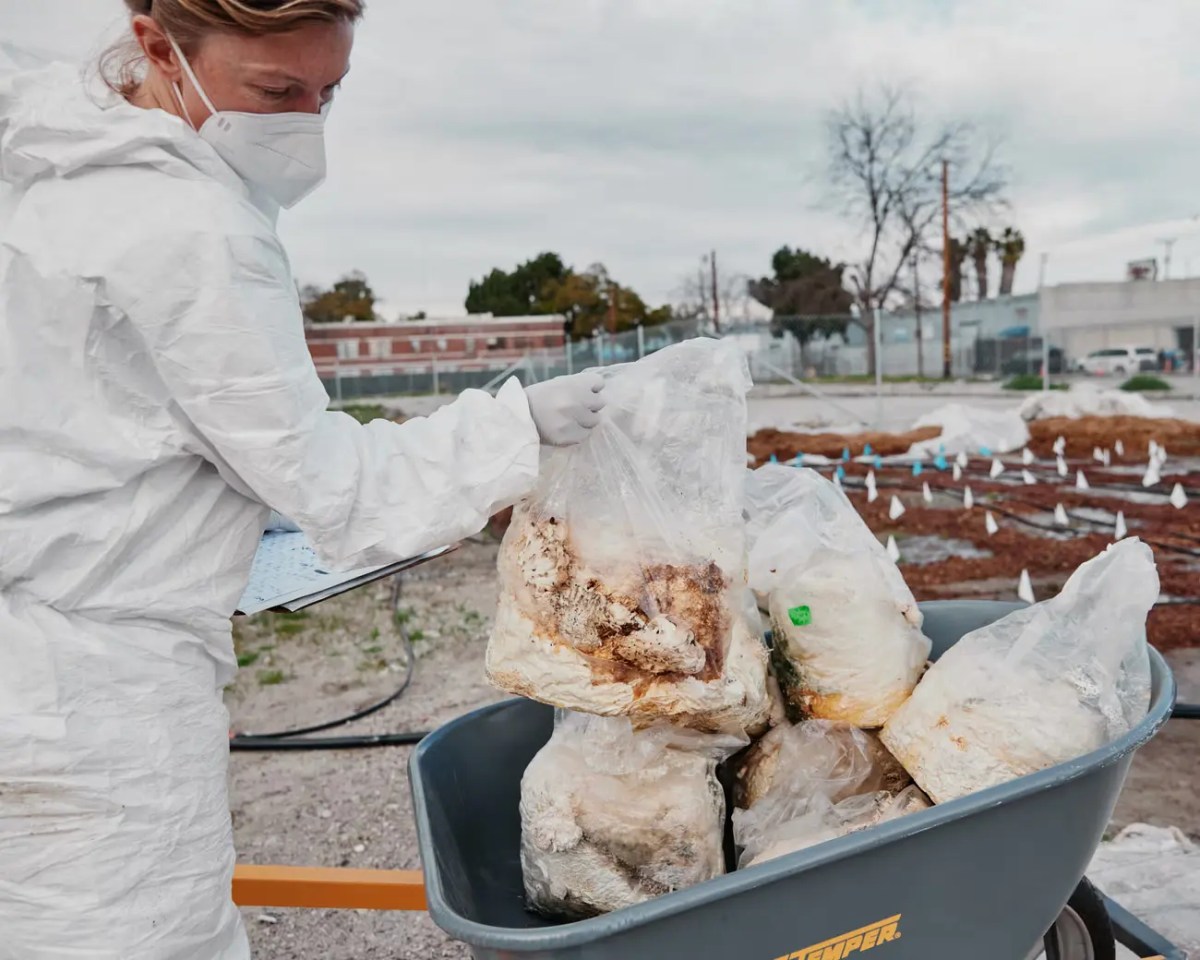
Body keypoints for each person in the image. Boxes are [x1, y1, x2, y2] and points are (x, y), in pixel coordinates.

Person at [0, 2, 606, 957]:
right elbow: (331, 487)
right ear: (160, 44)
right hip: (93, 704)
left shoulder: (51, 164)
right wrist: (515, 425)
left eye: (329, 93)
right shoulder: (186, 225)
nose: (305, 125)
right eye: (277, 91)